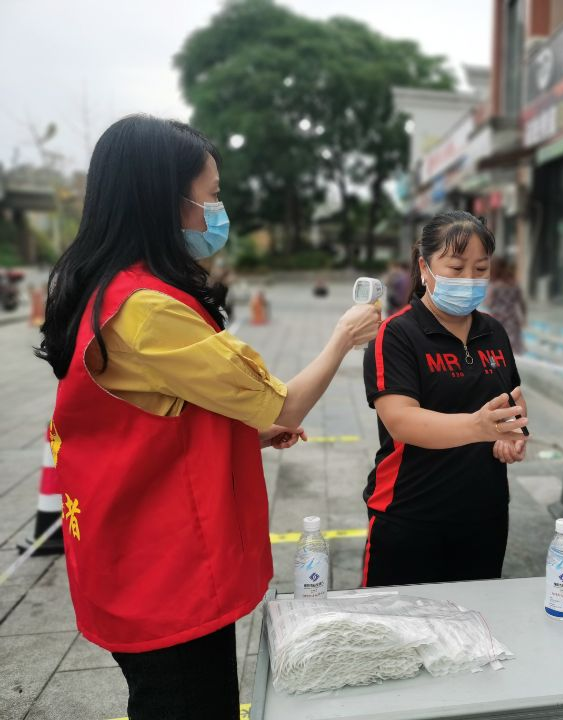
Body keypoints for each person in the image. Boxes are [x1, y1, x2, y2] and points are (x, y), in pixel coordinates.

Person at [36, 115, 381, 719]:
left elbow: (149, 417)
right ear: (164, 199)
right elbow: (284, 402)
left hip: (126, 563)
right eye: (211, 195)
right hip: (168, 578)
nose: (217, 212)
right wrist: (342, 339)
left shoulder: (103, 289)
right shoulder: (148, 310)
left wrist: (246, 435)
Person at [362, 211, 528, 587]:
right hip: (410, 514)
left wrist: (512, 436)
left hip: (484, 515)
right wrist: (478, 426)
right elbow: (401, 421)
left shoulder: (494, 332)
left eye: (480, 268)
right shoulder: (397, 334)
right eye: (455, 267)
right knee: (398, 621)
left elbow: (511, 405)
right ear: (425, 267)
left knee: (477, 616)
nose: (469, 279)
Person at [485, 258, 527, 355]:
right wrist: (524, 318)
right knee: (513, 350)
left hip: (498, 320)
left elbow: (488, 303)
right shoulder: (514, 284)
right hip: (512, 321)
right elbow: (522, 303)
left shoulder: (495, 286)